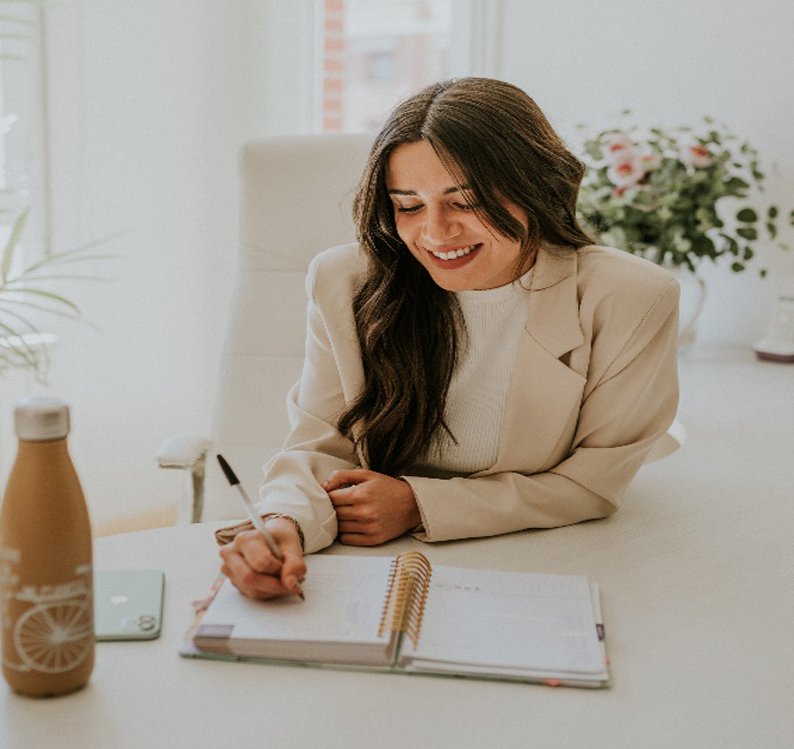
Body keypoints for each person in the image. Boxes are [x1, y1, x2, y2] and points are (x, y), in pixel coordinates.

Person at [216, 77, 680, 600]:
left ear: (537, 187)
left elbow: (591, 484)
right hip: (377, 566)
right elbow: (321, 443)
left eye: (467, 201)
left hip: (546, 561)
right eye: (408, 206)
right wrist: (285, 523)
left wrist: (418, 503)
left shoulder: (632, 297)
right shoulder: (343, 281)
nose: (436, 233)